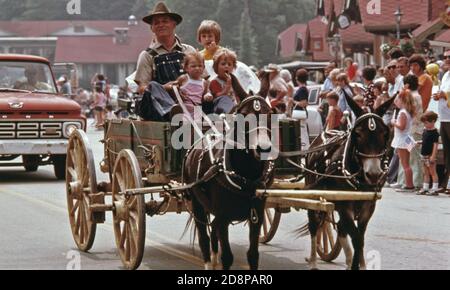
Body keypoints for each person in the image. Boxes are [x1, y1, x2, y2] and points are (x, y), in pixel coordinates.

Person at [134, 2, 196, 121]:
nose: (161, 25)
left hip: (189, 100)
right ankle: (172, 111)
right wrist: (164, 88)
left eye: (165, 21)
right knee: (152, 86)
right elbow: (142, 88)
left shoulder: (189, 51)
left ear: (174, 24)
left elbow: (202, 79)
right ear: (152, 28)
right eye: (156, 22)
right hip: (159, 111)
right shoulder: (147, 55)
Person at [397, 74, 424, 189]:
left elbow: (397, 103)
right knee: (408, 157)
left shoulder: (412, 96)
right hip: (412, 130)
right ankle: (406, 181)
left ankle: (414, 182)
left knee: (412, 157)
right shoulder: (416, 95)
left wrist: (402, 91)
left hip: (412, 130)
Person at [171, 52, 211, 120]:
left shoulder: (204, 82)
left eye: (200, 66)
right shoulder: (184, 78)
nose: (197, 68)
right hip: (183, 106)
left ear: (204, 67)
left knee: (197, 124)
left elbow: (205, 93)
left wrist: (207, 95)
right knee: (185, 121)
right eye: (193, 66)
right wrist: (177, 90)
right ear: (186, 68)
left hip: (196, 108)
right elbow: (173, 87)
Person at [391, 90, 416, 192]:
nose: (396, 101)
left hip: (402, 139)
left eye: (398, 99)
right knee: (406, 163)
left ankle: (409, 185)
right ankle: (408, 184)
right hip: (407, 138)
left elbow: (401, 126)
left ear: (402, 100)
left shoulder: (402, 112)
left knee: (405, 164)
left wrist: (394, 122)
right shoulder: (408, 112)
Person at [433, 49, 450, 194]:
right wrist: (438, 95)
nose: (447, 59)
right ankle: (447, 183)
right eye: (445, 57)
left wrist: (444, 94)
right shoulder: (445, 75)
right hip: (444, 118)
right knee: (447, 153)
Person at [207, 48, 238, 114]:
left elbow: (237, 96)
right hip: (220, 109)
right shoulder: (214, 82)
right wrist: (227, 88)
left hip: (234, 108)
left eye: (229, 64)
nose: (226, 66)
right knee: (225, 99)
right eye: (223, 64)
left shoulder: (234, 81)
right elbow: (217, 96)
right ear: (216, 67)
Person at [417, 111, 440, 195]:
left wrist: (433, 156)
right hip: (424, 154)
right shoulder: (425, 130)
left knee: (433, 172)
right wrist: (419, 142)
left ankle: (434, 189)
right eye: (424, 123)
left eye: (426, 123)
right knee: (425, 172)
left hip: (430, 155)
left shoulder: (435, 133)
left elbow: (435, 145)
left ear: (433, 121)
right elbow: (425, 141)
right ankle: (425, 187)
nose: (425, 125)